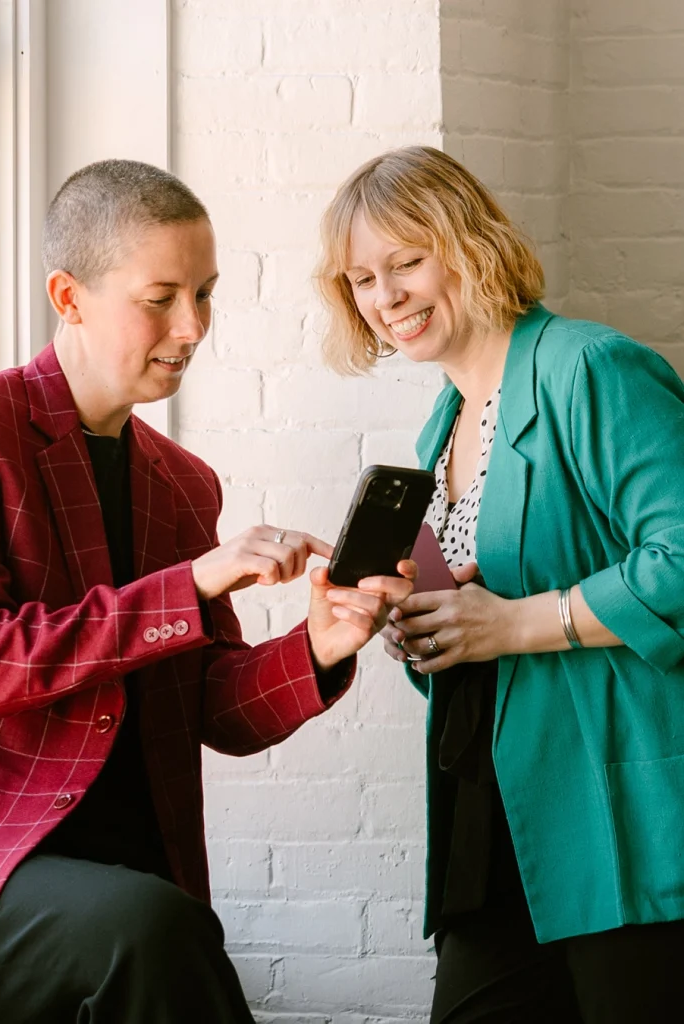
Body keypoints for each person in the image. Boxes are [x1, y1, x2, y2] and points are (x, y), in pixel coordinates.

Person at [0, 159, 410, 1023]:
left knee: (156, 921)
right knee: (150, 928)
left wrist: (316, 648)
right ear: (69, 296)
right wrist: (190, 582)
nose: (192, 326)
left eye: (206, 294)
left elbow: (213, 710)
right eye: (160, 297)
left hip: (123, 867)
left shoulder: (181, 483)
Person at [316, 145, 684, 1023]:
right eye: (362, 278)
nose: (386, 297)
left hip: (617, 810)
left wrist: (517, 624)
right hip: (491, 815)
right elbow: (478, 622)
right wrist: (426, 629)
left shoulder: (585, 369)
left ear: (470, 244)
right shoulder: (442, 420)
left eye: (407, 261)